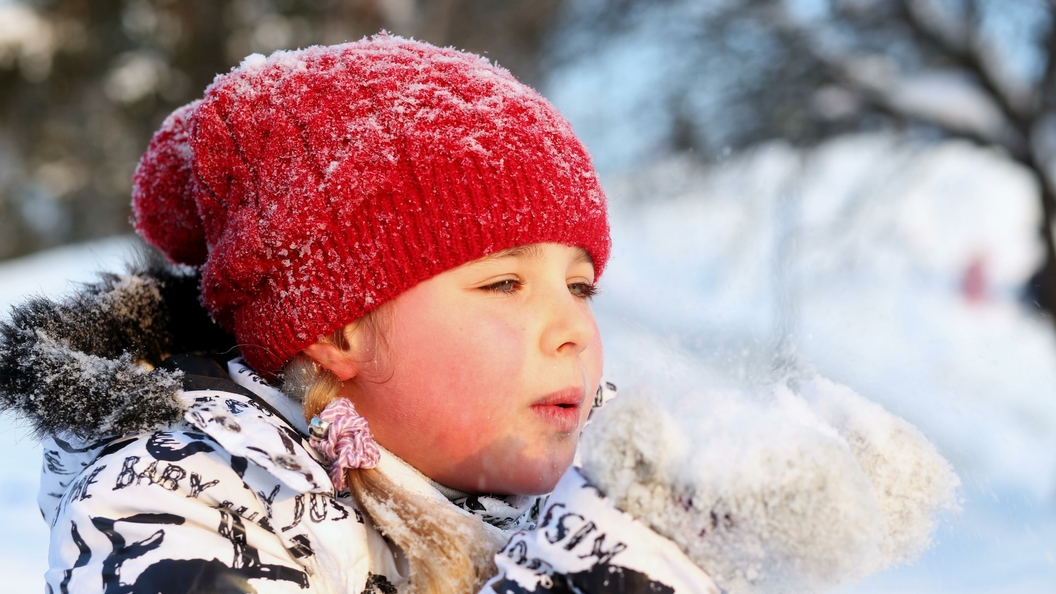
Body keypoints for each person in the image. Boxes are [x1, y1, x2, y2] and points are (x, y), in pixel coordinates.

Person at [0, 35, 717, 593]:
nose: (573, 331)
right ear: (339, 328)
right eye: (505, 284)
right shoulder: (181, 505)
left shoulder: (599, 487)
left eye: (580, 287)